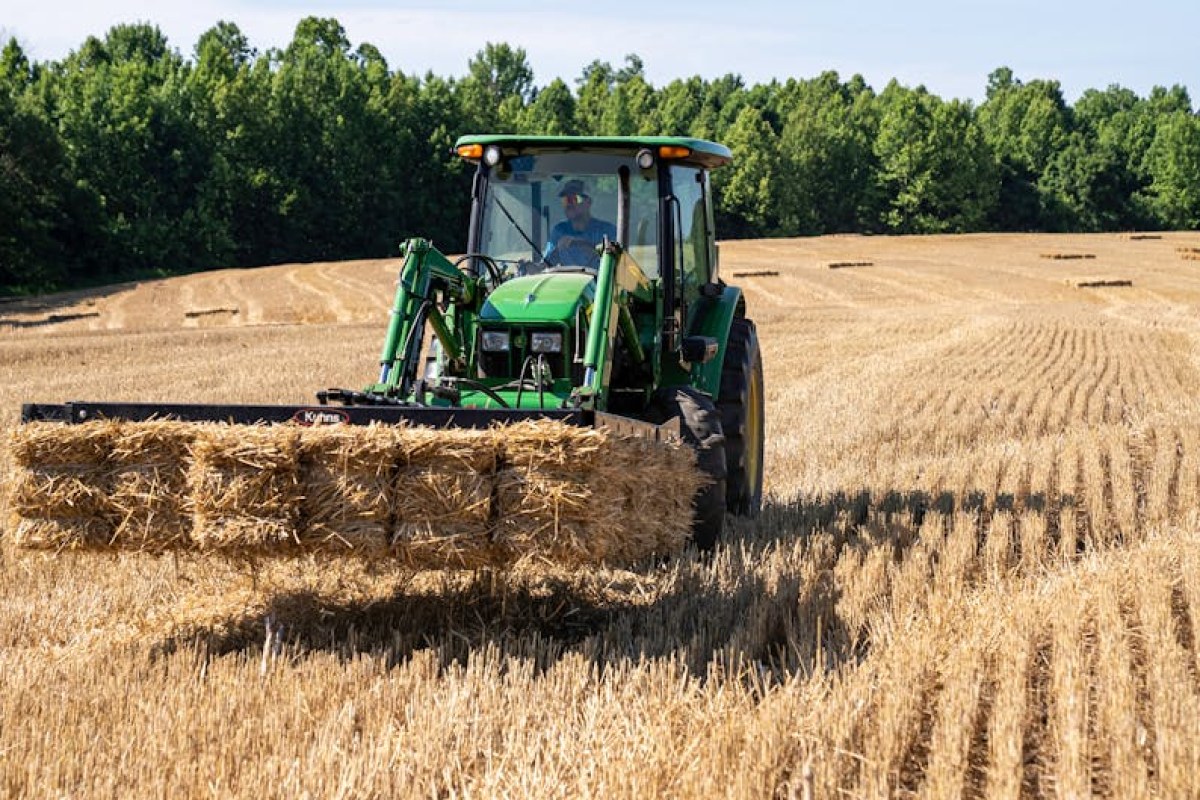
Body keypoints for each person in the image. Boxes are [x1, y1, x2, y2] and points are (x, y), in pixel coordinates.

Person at [544, 179, 616, 267]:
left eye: (575, 199)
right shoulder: (559, 231)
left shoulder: (607, 231)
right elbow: (546, 264)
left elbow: (616, 266)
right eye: (565, 200)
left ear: (588, 202)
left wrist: (580, 244)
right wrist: (532, 267)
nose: (569, 204)